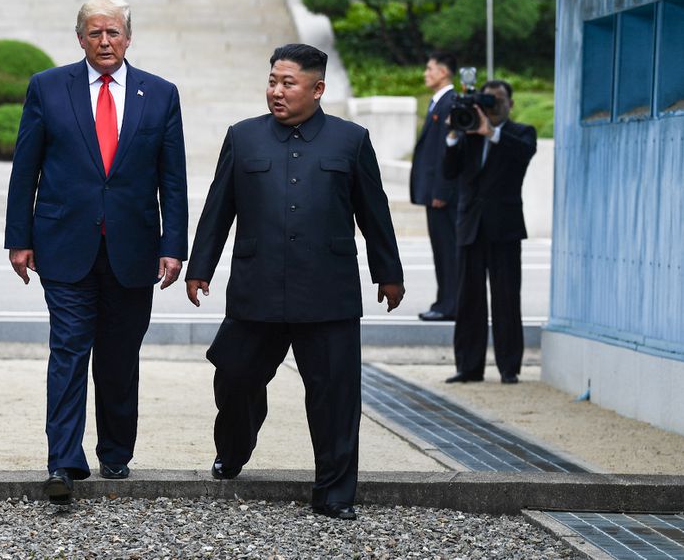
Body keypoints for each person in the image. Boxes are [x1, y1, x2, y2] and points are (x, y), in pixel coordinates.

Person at [185, 44, 405, 521]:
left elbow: (375, 213)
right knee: (235, 375)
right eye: (272, 81)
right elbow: (218, 207)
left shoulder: (351, 141)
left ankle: (334, 493)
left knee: (335, 396)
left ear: (318, 88)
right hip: (256, 288)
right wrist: (199, 266)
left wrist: (388, 273)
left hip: (327, 294)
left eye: (288, 83)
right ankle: (236, 446)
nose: (276, 91)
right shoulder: (242, 138)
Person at [4, 0, 188, 504]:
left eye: (113, 33)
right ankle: (62, 461)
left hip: (134, 249)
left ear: (128, 38)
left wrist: (175, 245)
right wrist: (18, 238)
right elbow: (26, 169)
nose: (104, 42)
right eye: (94, 33)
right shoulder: (48, 87)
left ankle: (115, 452)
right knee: (68, 350)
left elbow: (173, 179)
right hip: (63, 245)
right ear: (80, 38)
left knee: (118, 353)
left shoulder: (161, 94)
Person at [442, 80, 536, 385]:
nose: (494, 106)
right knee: (468, 299)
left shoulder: (521, 133)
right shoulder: (469, 132)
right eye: (489, 100)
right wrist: (454, 135)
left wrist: (491, 132)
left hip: (504, 228)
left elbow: (521, 155)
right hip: (470, 225)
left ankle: (509, 367)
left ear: (511, 103)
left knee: (506, 298)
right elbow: (448, 171)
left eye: (499, 100)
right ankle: (469, 366)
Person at [410, 52, 458, 322]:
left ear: (443, 72)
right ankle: (446, 301)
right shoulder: (438, 103)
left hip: (443, 195)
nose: (426, 74)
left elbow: (447, 151)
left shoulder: (450, 102)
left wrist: (441, 190)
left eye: (429, 69)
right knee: (441, 250)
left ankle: (448, 304)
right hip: (435, 193)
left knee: (448, 251)